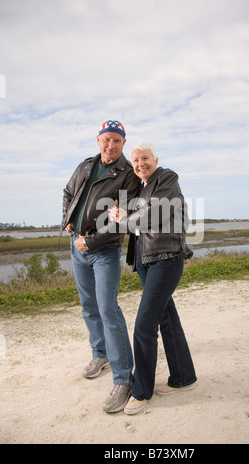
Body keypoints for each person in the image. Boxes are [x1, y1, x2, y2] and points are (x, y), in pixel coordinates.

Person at [109, 142, 197, 415]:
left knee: (144, 326)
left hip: (167, 259)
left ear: (155, 159)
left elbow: (154, 215)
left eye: (144, 158)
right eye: (134, 160)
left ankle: (141, 390)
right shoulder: (142, 187)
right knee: (167, 319)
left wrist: (124, 219)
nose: (139, 164)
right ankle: (183, 377)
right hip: (146, 263)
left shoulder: (167, 178)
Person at [61, 120, 141, 413]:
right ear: (98, 140)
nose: (111, 145)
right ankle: (100, 353)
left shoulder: (128, 176)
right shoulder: (84, 166)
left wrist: (90, 242)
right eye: (107, 139)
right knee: (88, 305)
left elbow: (120, 220)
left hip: (103, 250)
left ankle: (123, 380)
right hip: (76, 245)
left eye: (117, 141)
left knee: (108, 309)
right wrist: (67, 220)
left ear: (123, 143)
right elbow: (68, 193)